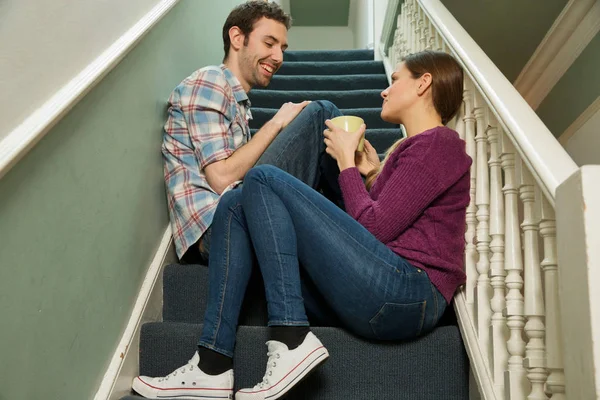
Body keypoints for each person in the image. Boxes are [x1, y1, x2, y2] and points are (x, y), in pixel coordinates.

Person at [133, 50, 471, 400]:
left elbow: (374, 231)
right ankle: (212, 364)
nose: (384, 91)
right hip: (376, 291)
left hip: (409, 295)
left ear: (424, 83)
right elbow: (376, 228)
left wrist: (346, 164)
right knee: (234, 203)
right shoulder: (407, 151)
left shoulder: (441, 144)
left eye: (396, 79)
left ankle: (291, 337)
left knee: (262, 179)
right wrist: (369, 174)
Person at [163, 0, 342, 265]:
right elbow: (221, 178)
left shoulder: (238, 103)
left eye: (282, 48)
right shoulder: (209, 82)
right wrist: (277, 122)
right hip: (217, 228)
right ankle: (367, 222)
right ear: (237, 38)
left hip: (232, 219)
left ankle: (358, 225)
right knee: (321, 114)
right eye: (269, 44)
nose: (279, 57)